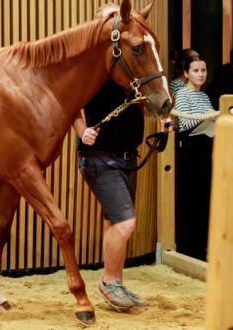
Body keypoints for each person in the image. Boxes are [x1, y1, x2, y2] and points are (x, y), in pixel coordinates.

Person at [73, 80, 150, 312]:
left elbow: (146, 105)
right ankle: (109, 282)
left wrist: (164, 120)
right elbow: (72, 106)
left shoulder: (135, 79)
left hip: (127, 158)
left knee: (114, 222)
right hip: (100, 158)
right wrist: (82, 131)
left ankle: (116, 283)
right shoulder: (96, 77)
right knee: (125, 223)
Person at [173, 55, 214, 261]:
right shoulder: (182, 94)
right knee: (190, 199)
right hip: (189, 152)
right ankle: (189, 248)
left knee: (204, 198)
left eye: (203, 70)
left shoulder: (205, 96)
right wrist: (207, 116)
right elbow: (183, 124)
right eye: (196, 71)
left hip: (206, 149)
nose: (201, 74)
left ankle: (201, 246)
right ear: (187, 73)